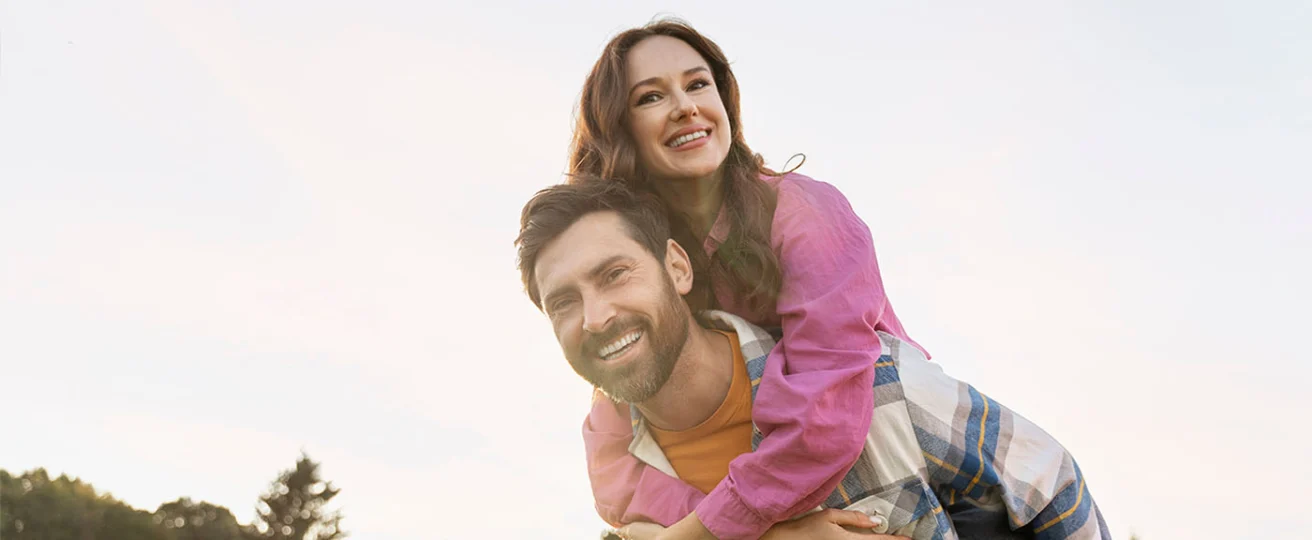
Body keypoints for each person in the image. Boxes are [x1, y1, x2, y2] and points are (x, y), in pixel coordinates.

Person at [514, 181, 1109, 540]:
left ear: (677, 266)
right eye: (563, 302)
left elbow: (1048, 482)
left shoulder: (878, 392)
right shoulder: (625, 485)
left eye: (615, 274)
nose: (595, 317)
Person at [568, 18, 926, 539]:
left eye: (697, 84)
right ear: (621, 131)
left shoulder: (805, 212)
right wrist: (767, 534)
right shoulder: (639, 269)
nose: (686, 106)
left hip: (909, 471)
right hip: (777, 509)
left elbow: (825, 410)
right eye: (650, 97)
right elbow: (614, 467)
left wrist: (704, 531)